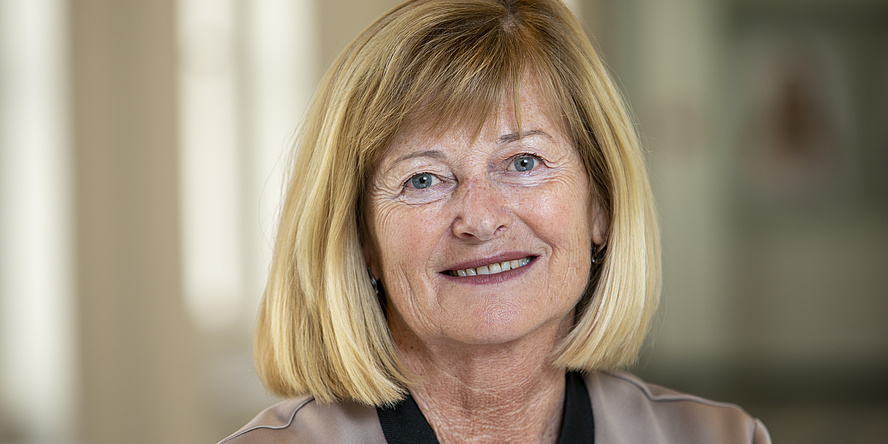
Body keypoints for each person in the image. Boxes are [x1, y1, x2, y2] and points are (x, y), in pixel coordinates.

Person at [220, 0, 770, 442]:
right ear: (361, 237)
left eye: (523, 162)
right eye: (423, 179)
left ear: (599, 204)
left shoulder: (720, 438)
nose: (479, 220)